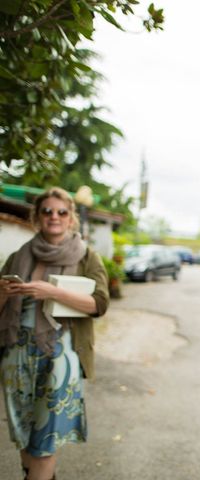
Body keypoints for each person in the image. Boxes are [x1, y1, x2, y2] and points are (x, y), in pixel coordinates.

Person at [0, 187, 109, 480]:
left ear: (71, 218)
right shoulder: (18, 256)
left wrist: (53, 292)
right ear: (37, 217)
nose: (54, 217)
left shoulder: (87, 256)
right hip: (16, 355)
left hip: (59, 357)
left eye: (61, 212)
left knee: (44, 440)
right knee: (23, 432)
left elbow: (99, 303)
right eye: (46, 211)